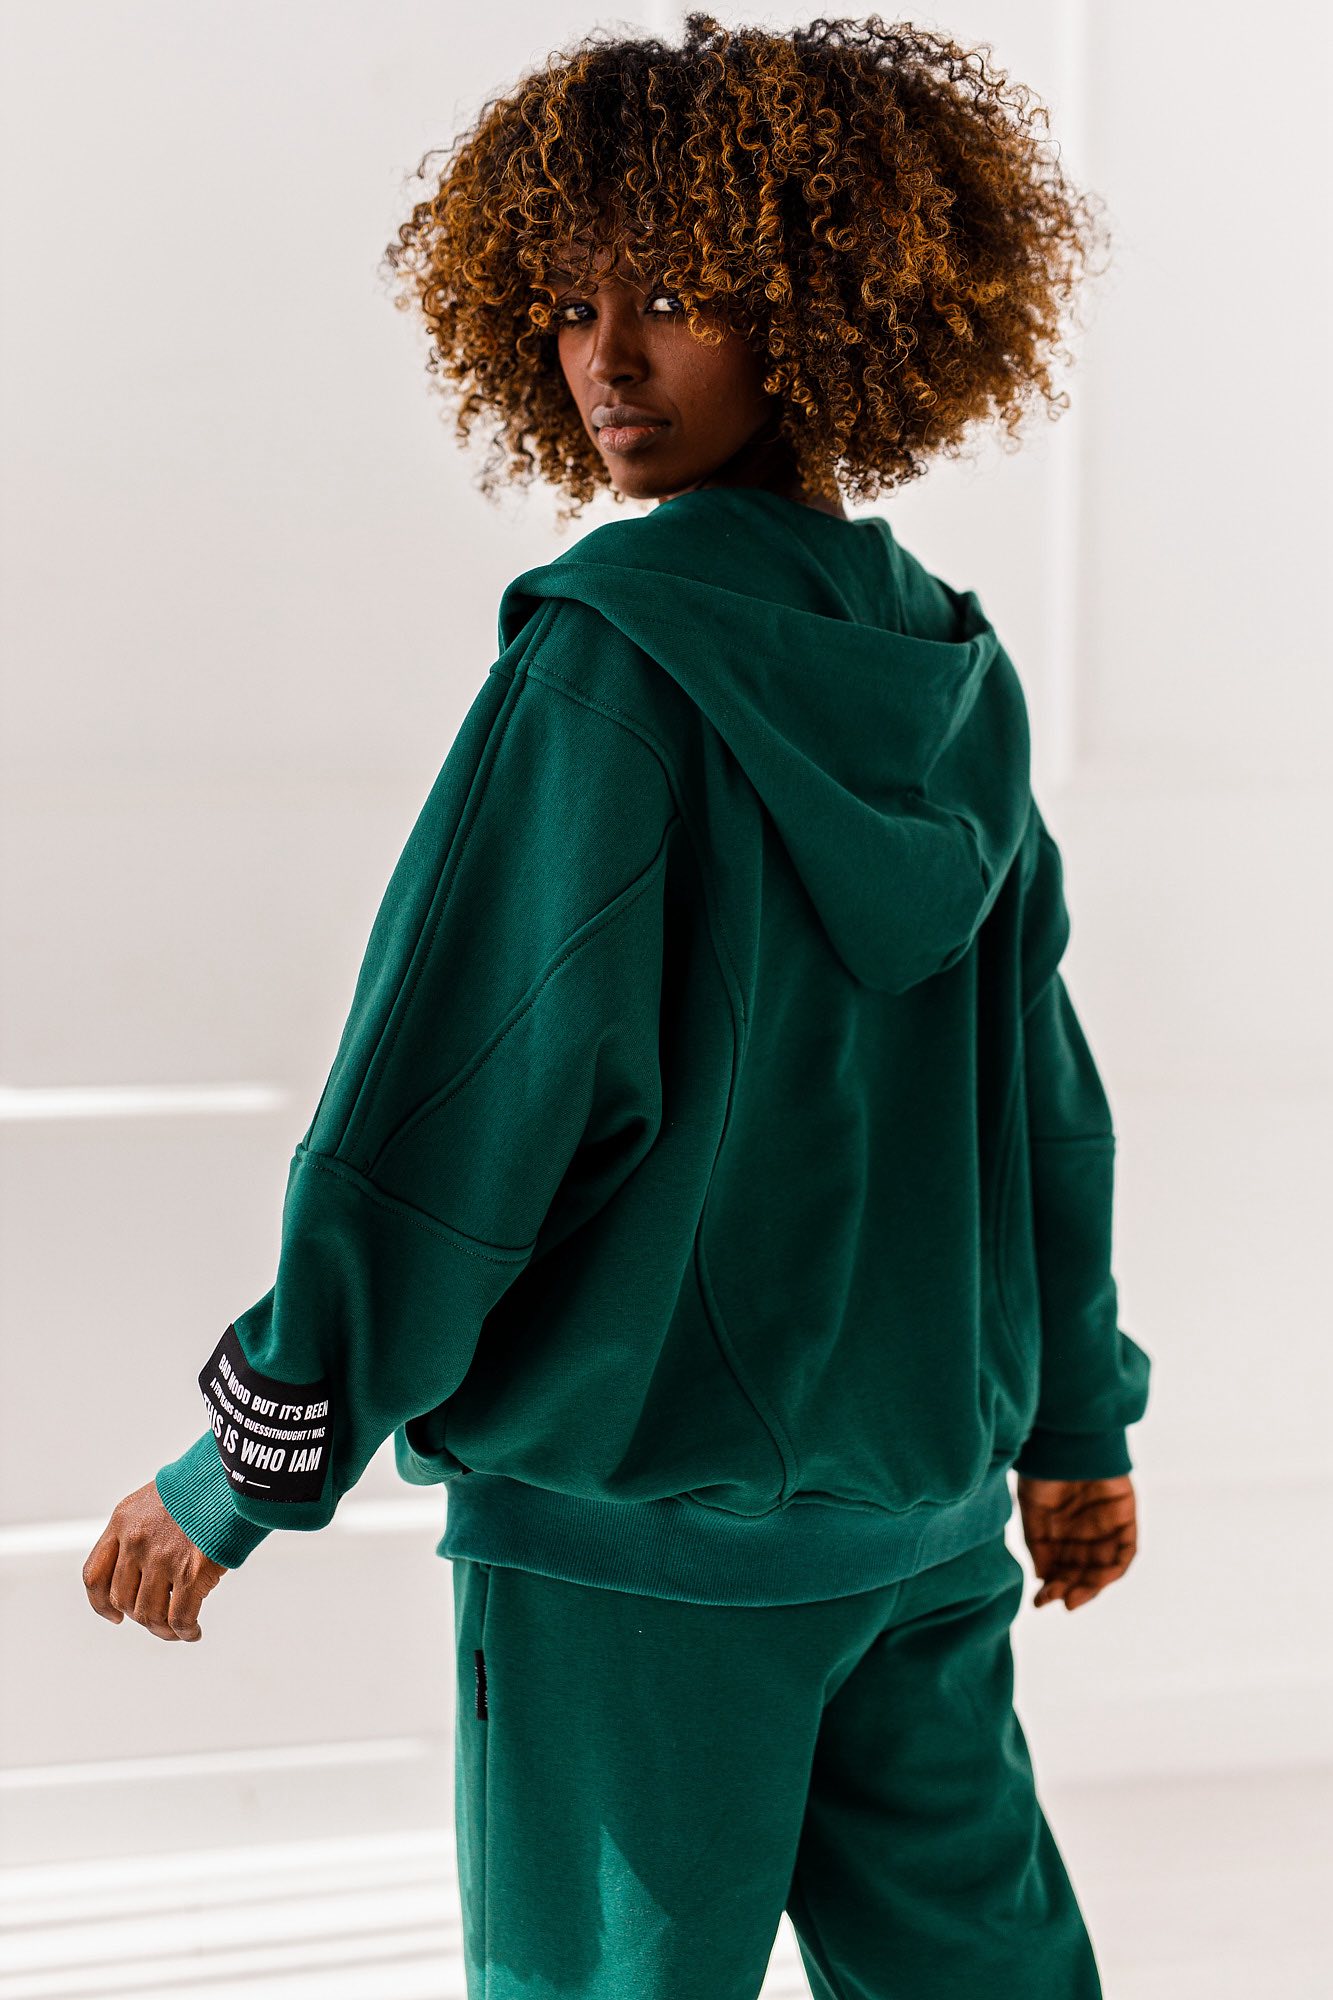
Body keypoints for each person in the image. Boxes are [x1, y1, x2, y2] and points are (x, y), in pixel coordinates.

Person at [83, 14, 1151, 1997]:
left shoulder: (609, 669)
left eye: (673, 297)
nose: (604, 361)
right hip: (917, 1524)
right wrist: (1073, 1427)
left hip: (634, 1548)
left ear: (819, 312)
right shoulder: (953, 678)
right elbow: (1045, 1119)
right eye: (570, 307)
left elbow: (450, 1115)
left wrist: (246, 1463)